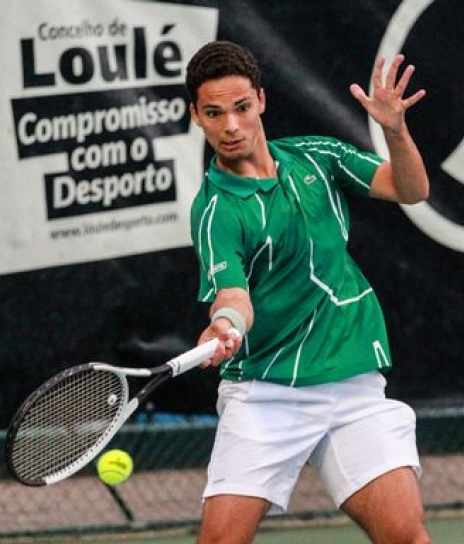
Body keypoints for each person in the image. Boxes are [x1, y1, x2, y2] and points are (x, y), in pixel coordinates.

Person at [186, 40, 431, 544]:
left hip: (351, 383)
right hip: (268, 393)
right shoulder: (216, 211)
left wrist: (396, 132)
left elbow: (410, 189)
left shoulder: (318, 157)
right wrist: (226, 323)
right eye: (214, 113)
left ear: (260, 100)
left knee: (406, 536)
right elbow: (233, 293)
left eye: (240, 108)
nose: (230, 125)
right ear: (196, 116)